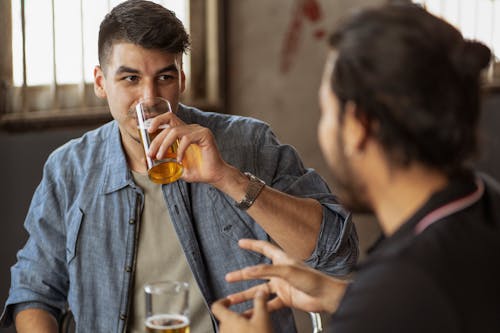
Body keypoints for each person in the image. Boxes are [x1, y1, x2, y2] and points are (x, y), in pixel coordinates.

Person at [0, 0, 358, 332]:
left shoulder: (249, 141)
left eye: (165, 78)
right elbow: (34, 292)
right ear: (100, 83)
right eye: (130, 79)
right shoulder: (69, 169)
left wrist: (228, 178)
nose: (149, 98)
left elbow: (336, 254)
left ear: (182, 80)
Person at [211, 3, 500, 333]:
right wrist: (340, 294)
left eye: (326, 111)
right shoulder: (481, 196)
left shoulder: (396, 290)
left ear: (358, 126)